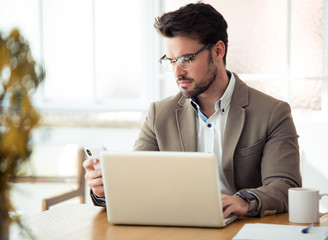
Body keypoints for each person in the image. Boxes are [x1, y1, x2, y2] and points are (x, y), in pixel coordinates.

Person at [83, 2, 302, 218]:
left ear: (218, 51)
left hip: (242, 229)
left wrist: (243, 201)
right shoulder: (159, 114)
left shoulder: (273, 112)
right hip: (177, 228)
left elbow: (285, 186)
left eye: (186, 59)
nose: (177, 72)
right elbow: (138, 184)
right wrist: (105, 192)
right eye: (170, 61)